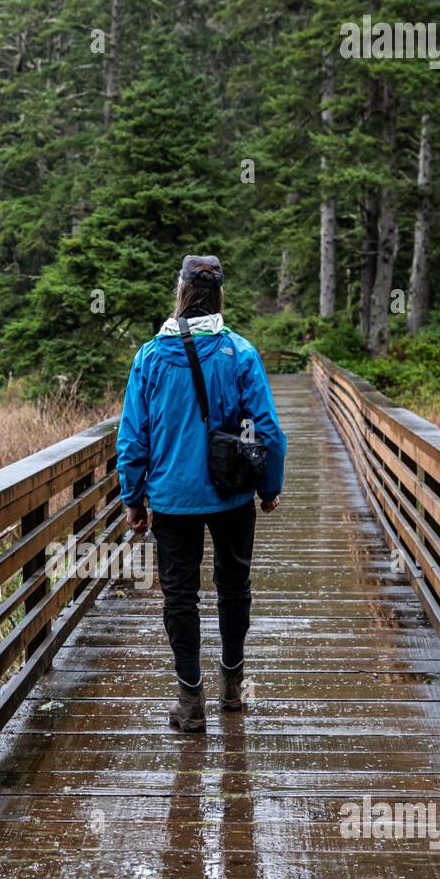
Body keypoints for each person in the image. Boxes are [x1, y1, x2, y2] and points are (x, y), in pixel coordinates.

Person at [116, 254, 287, 732]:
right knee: (235, 587)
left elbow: (133, 437)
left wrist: (133, 499)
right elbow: (267, 429)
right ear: (219, 295)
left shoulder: (150, 357)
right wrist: (269, 487)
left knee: (179, 597)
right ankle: (232, 686)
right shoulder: (239, 353)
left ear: (182, 291)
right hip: (231, 493)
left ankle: (190, 702)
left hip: (170, 497)